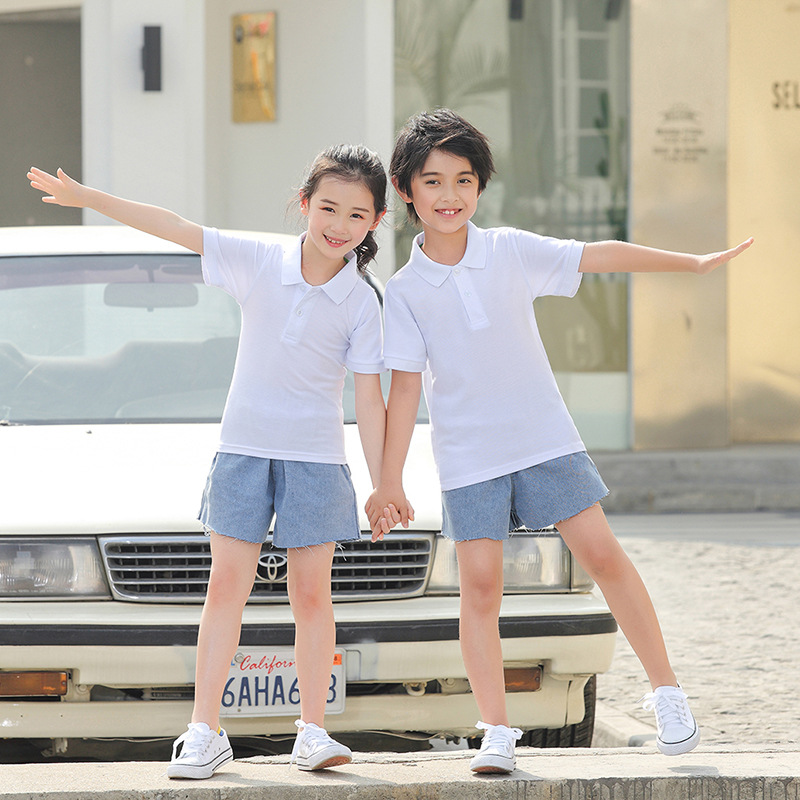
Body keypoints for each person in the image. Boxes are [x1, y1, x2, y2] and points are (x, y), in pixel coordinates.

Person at [366, 108, 753, 774]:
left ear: (480, 186)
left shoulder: (510, 250)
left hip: (544, 439)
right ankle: (495, 731)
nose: (450, 195)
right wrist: (389, 480)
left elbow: (597, 255)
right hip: (469, 456)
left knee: (603, 556)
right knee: (479, 590)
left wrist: (689, 264)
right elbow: (402, 392)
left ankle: (667, 693)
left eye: (464, 180)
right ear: (405, 189)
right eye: (433, 181)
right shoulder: (401, 293)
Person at [29, 144, 390, 779]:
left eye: (357, 215)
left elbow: (369, 399)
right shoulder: (258, 260)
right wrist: (88, 199)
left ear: (376, 222)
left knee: (313, 597)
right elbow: (173, 225)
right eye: (328, 208)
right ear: (304, 204)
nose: (340, 225)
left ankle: (312, 732)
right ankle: (204, 731)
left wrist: (384, 483)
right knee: (225, 589)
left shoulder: (362, 301)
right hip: (243, 453)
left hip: (316, 460)